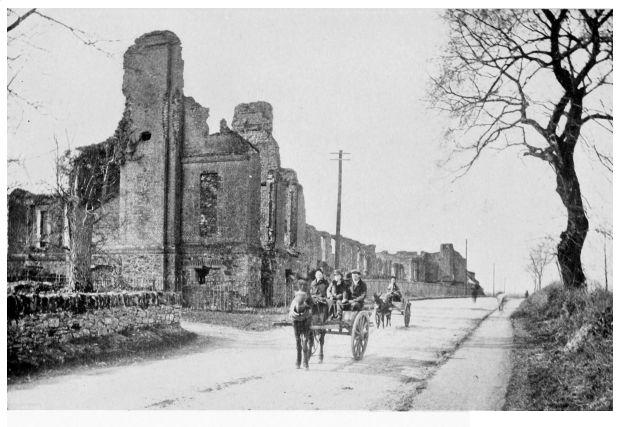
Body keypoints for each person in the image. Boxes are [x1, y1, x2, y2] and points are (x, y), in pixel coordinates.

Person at [289, 278, 313, 369]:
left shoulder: (308, 296)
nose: (302, 287)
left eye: (304, 286)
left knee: (305, 341)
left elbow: (311, 305)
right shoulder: (295, 296)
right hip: (295, 320)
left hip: (306, 319)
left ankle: (305, 362)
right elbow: (292, 306)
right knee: (298, 340)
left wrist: (308, 305)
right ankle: (298, 361)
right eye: (301, 285)